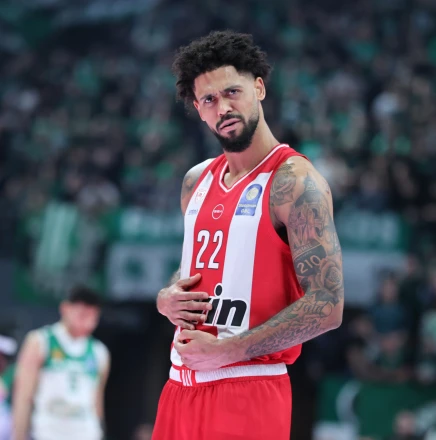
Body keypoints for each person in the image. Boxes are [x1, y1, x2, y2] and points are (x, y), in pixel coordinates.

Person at [154, 30, 344, 440]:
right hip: (179, 386)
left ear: (258, 88)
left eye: (232, 92)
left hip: (249, 386)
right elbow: (201, 269)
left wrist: (227, 351)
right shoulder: (195, 181)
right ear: (198, 110)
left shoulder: (295, 181)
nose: (222, 107)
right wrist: (167, 296)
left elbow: (328, 304)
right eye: (209, 100)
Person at [13, 286, 110, 440]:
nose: (87, 322)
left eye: (93, 317)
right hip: (48, 432)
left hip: (86, 433)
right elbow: (23, 396)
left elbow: (97, 401)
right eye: (82, 315)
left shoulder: (100, 352)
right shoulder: (40, 341)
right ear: (65, 309)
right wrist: (19, 436)